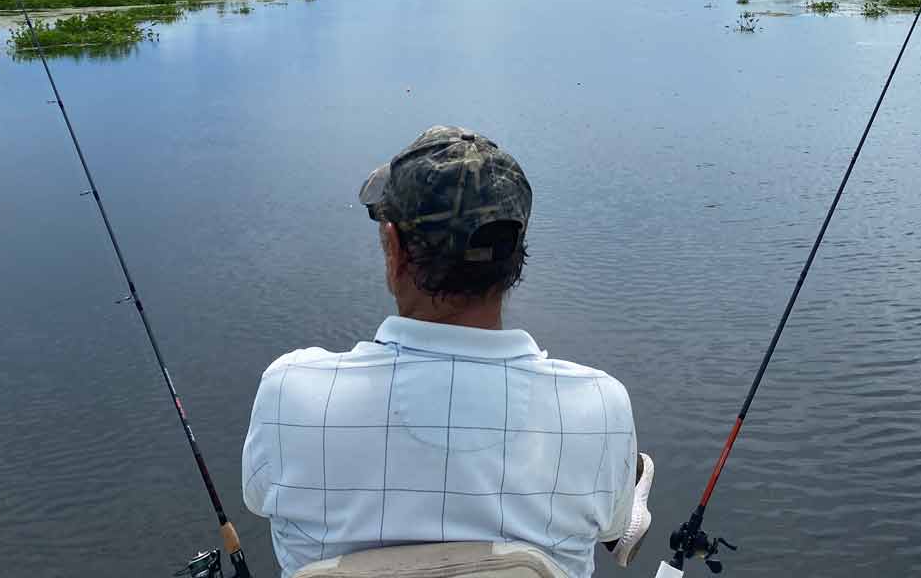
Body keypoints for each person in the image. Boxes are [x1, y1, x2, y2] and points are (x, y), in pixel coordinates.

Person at [243, 125, 653, 578]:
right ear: (515, 258)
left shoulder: (290, 394)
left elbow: (259, 499)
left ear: (394, 249)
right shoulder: (599, 405)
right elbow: (618, 526)